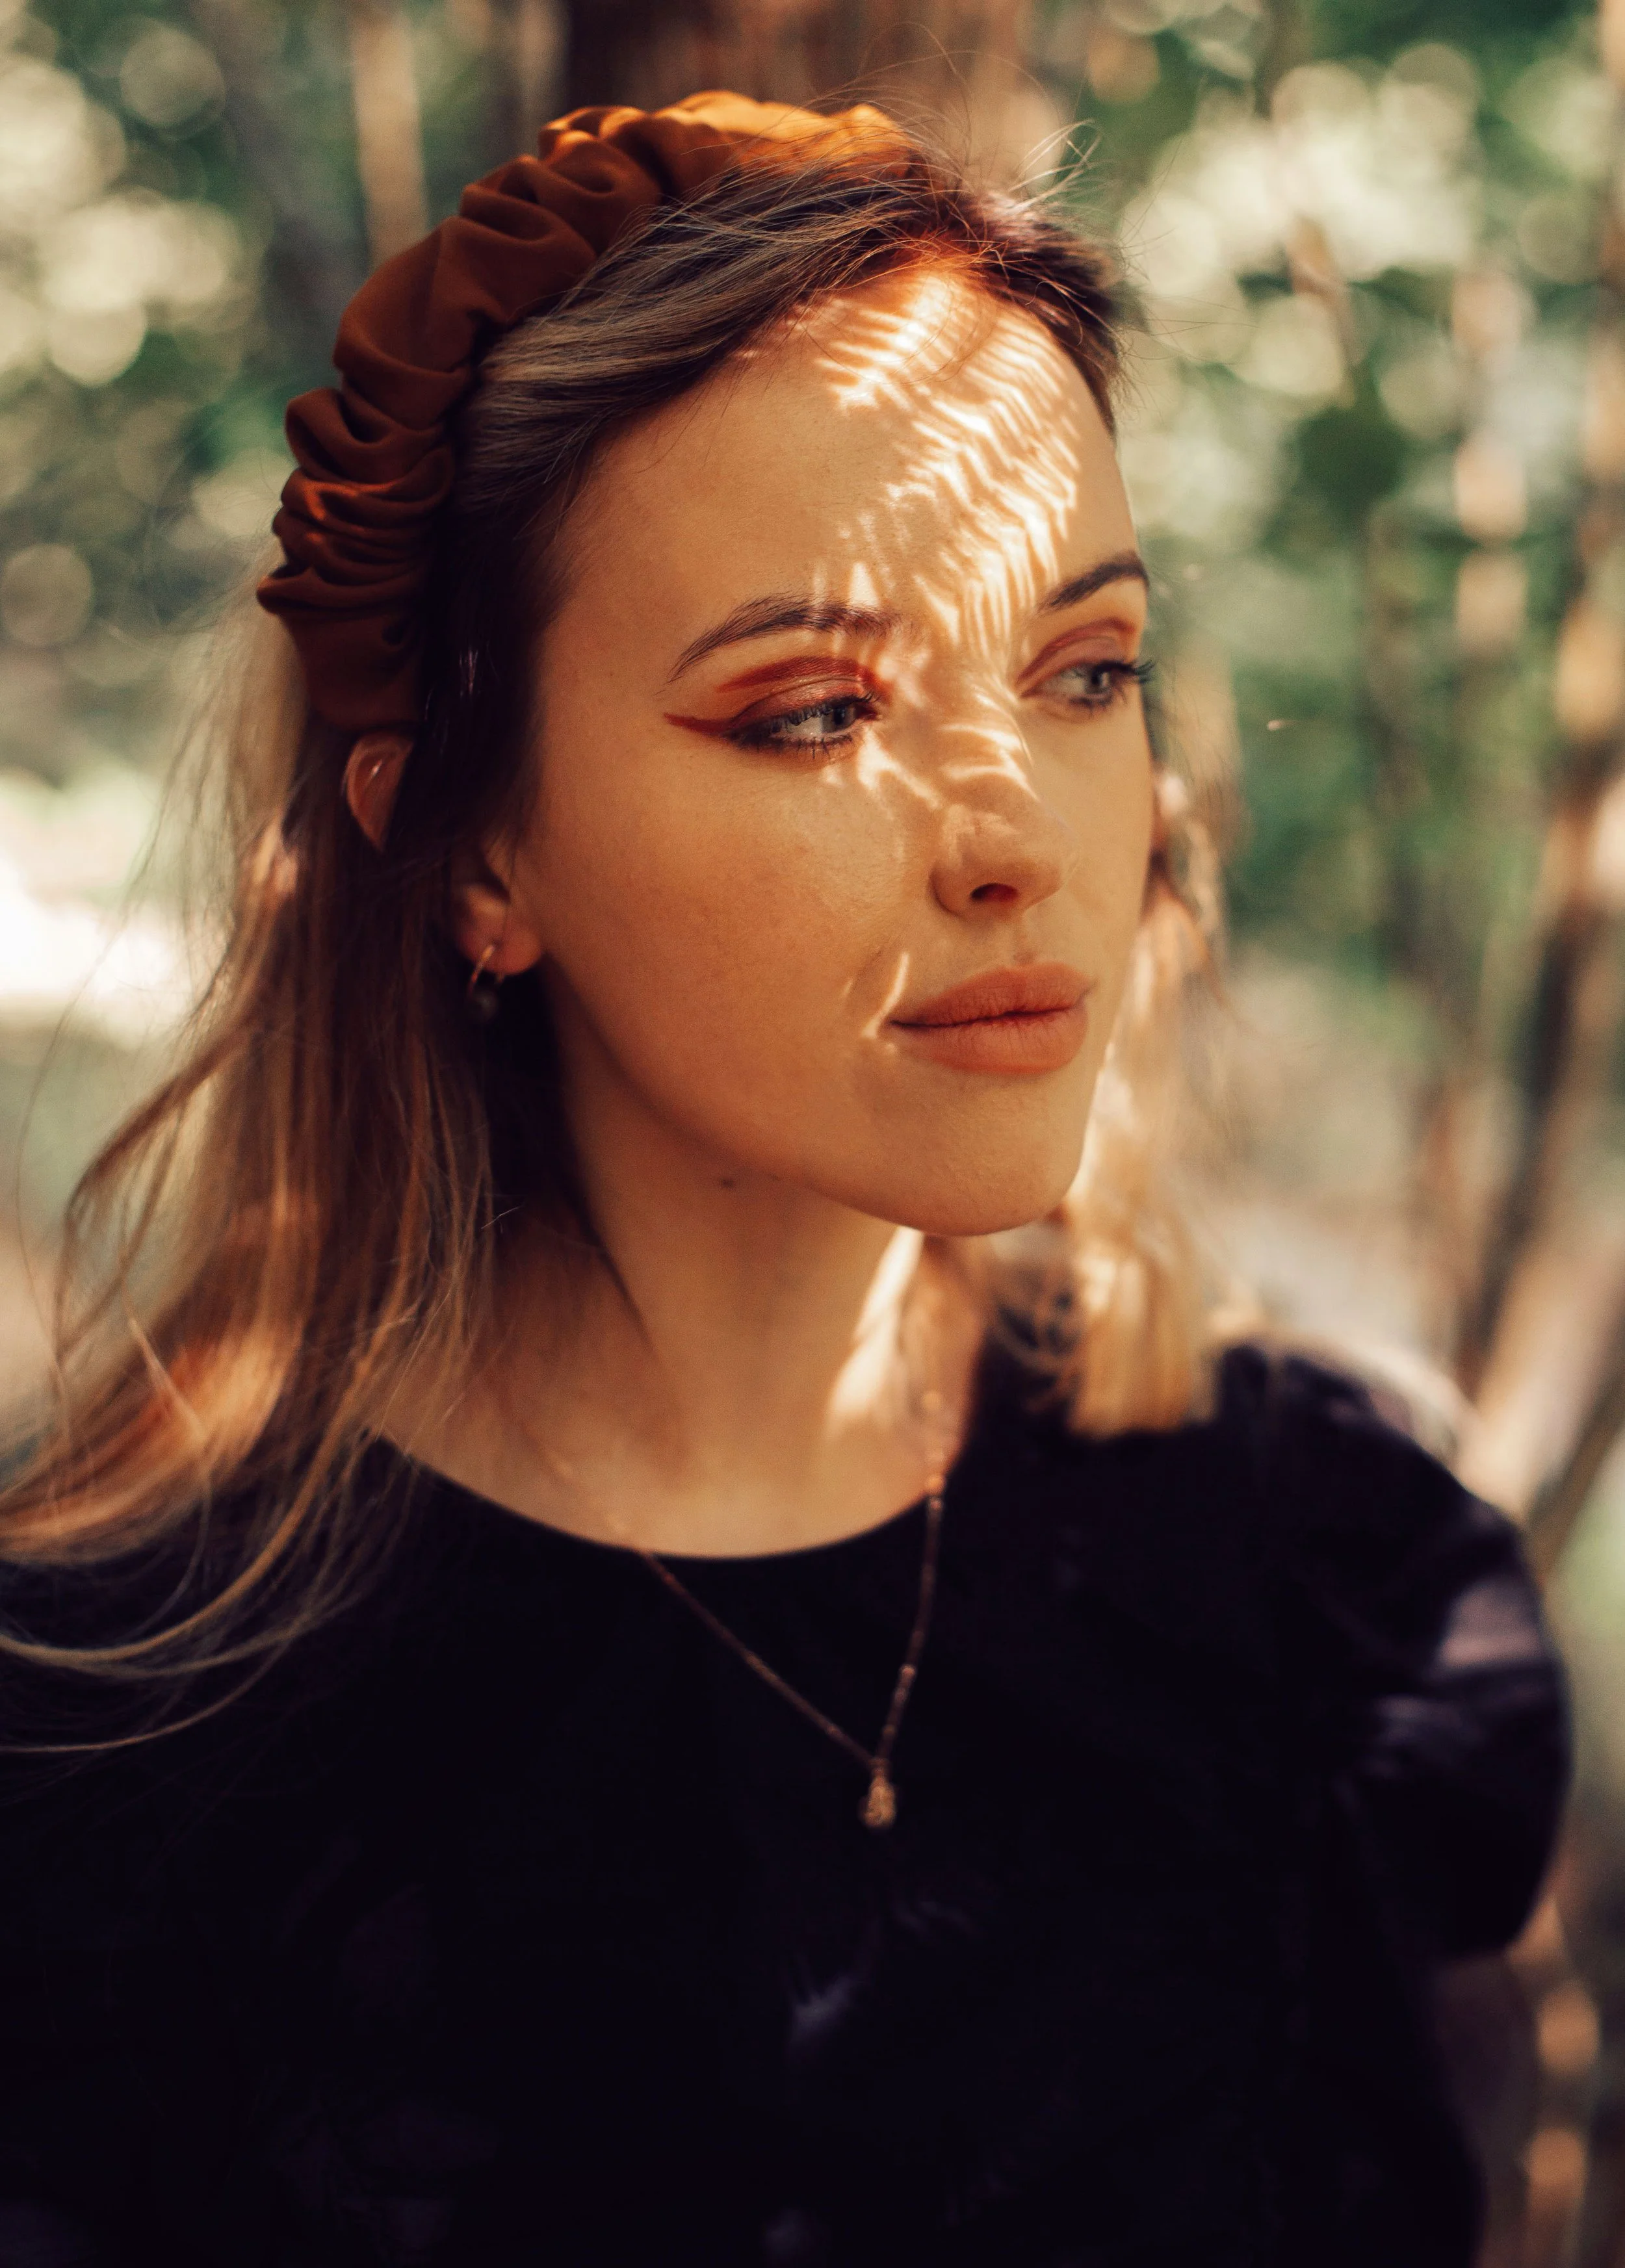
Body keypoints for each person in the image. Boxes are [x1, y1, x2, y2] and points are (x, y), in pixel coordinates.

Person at [0, 91, 1567, 2268]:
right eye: (812, 711)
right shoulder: (110, 1745)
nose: (1016, 833)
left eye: (1086, 669)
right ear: (476, 847)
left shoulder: (1323, 1583)